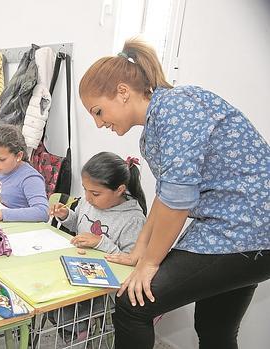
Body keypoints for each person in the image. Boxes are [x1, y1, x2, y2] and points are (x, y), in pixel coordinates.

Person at [79, 38, 270, 349]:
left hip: (246, 228)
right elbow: (166, 195)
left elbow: (178, 198)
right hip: (236, 226)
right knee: (214, 328)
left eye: (98, 111)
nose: (99, 123)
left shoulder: (177, 108)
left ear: (123, 92)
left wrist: (151, 263)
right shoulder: (155, 128)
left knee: (131, 304)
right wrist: (140, 249)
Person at [51, 151, 146, 254]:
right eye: (85, 189)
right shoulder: (88, 202)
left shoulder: (134, 220)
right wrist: (65, 215)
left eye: (95, 194)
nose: (87, 198)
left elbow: (132, 261)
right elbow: (78, 225)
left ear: (119, 190)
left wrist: (100, 243)